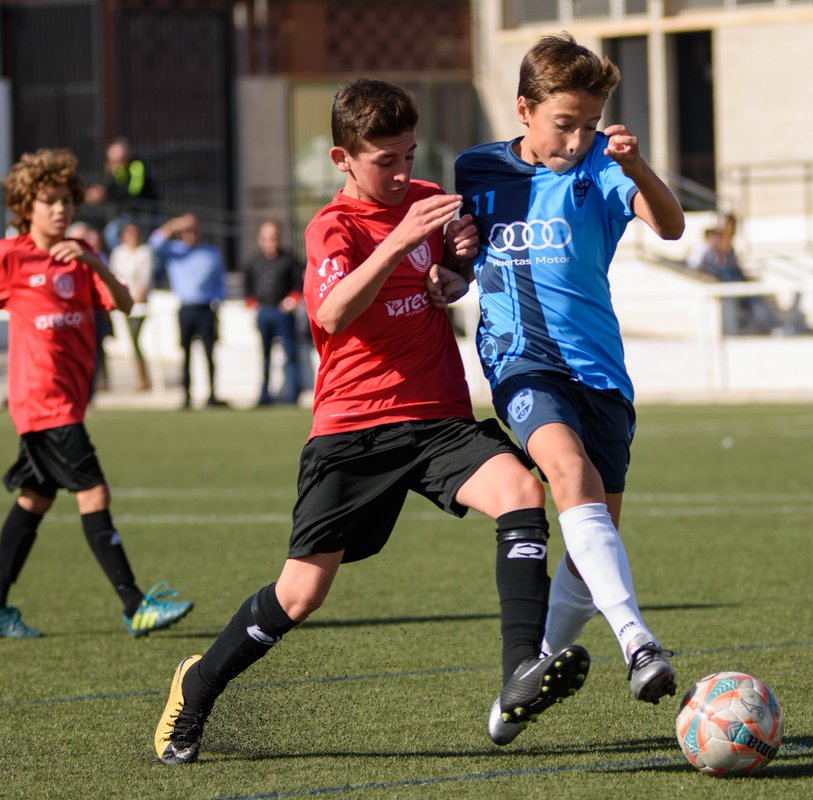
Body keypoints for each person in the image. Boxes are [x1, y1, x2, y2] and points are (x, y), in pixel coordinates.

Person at [153, 78, 588, 765]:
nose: (402, 173)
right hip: (353, 431)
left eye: (409, 156)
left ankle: (518, 675)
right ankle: (199, 683)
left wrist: (456, 272)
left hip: (439, 417)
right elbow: (330, 314)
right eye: (385, 162)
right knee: (300, 594)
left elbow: (449, 274)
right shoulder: (334, 226)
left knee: (523, 495)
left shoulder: (425, 204)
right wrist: (397, 246)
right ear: (341, 160)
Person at [448, 33, 685, 743]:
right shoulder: (477, 169)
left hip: (601, 375)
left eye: (590, 123)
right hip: (521, 364)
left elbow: (671, 226)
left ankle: (525, 683)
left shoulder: (604, 172)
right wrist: (447, 277)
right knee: (566, 472)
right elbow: (460, 262)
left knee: (592, 541)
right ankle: (639, 643)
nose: (578, 137)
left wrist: (637, 165)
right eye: (564, 123)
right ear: (524, 109)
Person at [0, 148, 193, 639]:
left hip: (66, 401)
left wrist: (93, 262)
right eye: (48, 201)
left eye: (66, 200)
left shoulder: (81, 258)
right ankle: (134, 605)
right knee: (93, 491)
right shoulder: (12, 257)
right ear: (26, 206)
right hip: (44, 402)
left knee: (34, 501)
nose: (59, 209)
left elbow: (126, 303)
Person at [149, 213, 227, 409]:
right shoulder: (174, 251)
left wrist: (218, 301)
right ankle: (186, 395)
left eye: (192, 230)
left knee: (209, 353)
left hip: (206, 308)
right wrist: (174, 224)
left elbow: (220, 282)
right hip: (185, 308)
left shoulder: (211, 253)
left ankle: (212, 395)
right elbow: (153, 243)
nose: (189, 234)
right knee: (186, 354)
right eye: (185, 231)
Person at [242, 220, 305, 406]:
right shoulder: (253, 262)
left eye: (273, 238)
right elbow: (248, 288)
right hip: (264, 311)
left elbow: (299, 285)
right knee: (265, 356)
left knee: (290, 353)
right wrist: (252, 304)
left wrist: (291, 301)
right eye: (266, 238)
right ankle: (264, 395)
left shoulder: (289, 260)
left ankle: (293, 394)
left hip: (283, 312)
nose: (270, 242)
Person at [687, 213, 779, 335]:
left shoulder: (728, 248)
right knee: (752, 299)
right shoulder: (709, 251)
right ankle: (770, 326)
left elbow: (733, 266)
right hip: (727, 282)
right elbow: (699, 266)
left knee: (754, 298)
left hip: (736, 280)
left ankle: (769, 325)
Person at [84, 137, 162, 251]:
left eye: (118, 159)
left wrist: (107, 194)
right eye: (112, 160)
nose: (115, 163)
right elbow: (108, 185)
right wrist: (99, 191)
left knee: (112, 233)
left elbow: (134, 191)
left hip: (145, 214)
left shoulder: (137, 165)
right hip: (127, 215)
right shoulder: (118, 170)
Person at [65, 221, 113, 394]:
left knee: (95, 355)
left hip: (95, 314)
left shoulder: (97, 258)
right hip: (69, 318)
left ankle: (88, 393)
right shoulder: (60, 262)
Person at [108, 220, 155, 392]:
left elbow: (144, 279)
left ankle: (143, 378)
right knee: (130, 341)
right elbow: (114, 277)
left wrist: (132, 301)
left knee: (135, 340)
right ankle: (140, 378)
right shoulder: (118, 253)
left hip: (138, 305)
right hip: (122, 303)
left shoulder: (144, 252)